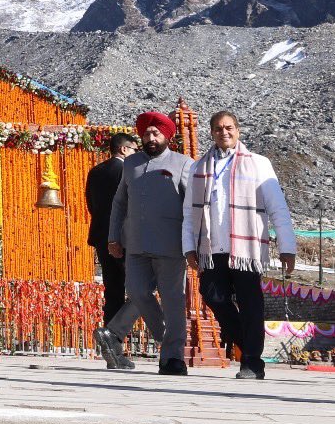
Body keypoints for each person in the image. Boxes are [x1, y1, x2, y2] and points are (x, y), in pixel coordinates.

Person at [183, 110, 297, 381]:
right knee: (213, 296)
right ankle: (249, 348)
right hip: (212, 248)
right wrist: (189, 246)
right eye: (219, 128)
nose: (225, 132)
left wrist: (287, 246)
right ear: (211, 132)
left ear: (238, 130)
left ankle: (251, 362)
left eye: (229, 127)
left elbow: (277, 207)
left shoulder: (258, 163)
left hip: (246, 248)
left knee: (250, 303)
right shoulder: (199, 167)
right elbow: (190, 212)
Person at [94, 110, 194, 375]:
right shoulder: (131, 164)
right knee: (138, 293)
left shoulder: (184, 164)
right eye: (147, 133)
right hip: (135, 245)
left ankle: (173, 359)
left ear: (167, 136)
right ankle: (169, 344)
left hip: (172, 246)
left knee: (173, 301)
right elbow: (119, 203)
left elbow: (193, 208)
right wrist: (113, 237)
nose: (151, 137)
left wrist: (194, 244)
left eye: (156, 133)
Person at [84, 133, 138, 324]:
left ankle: (110, 333)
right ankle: (118, 329)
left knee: (112, 287)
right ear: (124, 149)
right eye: (134, 149)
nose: (136, 154)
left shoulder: (96, 171)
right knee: (139, 288)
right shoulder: (128, 171)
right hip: (125, 238)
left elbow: (90, 204)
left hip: (101, 237)